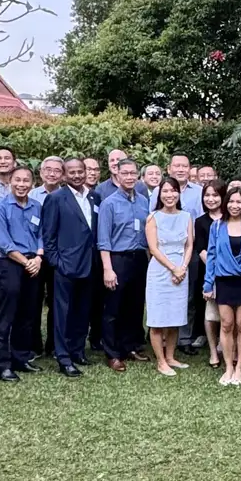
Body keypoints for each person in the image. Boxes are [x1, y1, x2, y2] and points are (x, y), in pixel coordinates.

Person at [41, 159, 101, 377]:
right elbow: (48, 236)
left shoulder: (95, 197)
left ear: (86, 172)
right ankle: (63, 357)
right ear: (64, 175)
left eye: (80, 171)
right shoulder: (55, 198)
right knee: (63, 313)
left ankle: (77, 351)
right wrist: (57, 263)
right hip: (66, 266)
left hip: (90, 265)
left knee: (83, 311)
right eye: (72, 172)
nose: (77, 175)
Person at [0, 166, 45, 382]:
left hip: (34, 264)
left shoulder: (37, 206)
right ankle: (2, 363)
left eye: (26, 181)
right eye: (18, 180)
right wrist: (25, 262)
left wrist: (38, 258)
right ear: (10, 182)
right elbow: (3, 242)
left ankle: (21, 357)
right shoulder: (1, 207)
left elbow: (43, 234)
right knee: (6, 316)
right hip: (11, 264)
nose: (22, 184)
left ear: (32, 183)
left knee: (28, 314)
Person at [203, 187, 241, 385]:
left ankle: (239, 368)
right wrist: (208, 283)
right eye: (231, 201)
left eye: (239, 202)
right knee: (227, 324)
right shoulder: (217, 226)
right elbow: (211, 255)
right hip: (224, 280)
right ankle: (228, 367)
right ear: (225, 203)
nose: (234, 205)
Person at [98, 158, 151, 371]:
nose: (129, 177)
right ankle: (112, 353)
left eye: (133, 173)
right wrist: (108, 268)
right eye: (125, 173)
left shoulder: (143, 201)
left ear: (138, 176)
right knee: (113, 308)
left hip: (139, 258)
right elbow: (103, 239)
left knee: (135, 306)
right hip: (117, 259)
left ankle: (129, 346)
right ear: (117, 176)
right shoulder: (109, 203)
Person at [149, 154, 203, 355]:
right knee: (160, 301)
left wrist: (183, 265)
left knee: (186, 298)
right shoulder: (156, 194)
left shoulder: (198, 192)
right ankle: (158, 338)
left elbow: (196, 226)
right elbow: (153, 235)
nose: (181, 169)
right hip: (162, 258)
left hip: (188, 253)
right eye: (176, 165)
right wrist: (173, 267)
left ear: (190, 169)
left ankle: (184, 338)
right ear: (169, 168)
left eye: (185, 166)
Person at [145, 177, 194, 376]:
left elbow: (189, 244)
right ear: (159, 194)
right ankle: (160, 361)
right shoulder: (153, 217)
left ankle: (171, 356)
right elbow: (153, 248)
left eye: (173, 191)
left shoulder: (186, 216)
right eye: (165, 191)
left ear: (178, 193)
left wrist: (182, 267)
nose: (169, 195)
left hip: (182, 270)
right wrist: (173, 268)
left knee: (175, 318)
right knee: (158, 319)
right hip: (160, 271)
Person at [27, 155, 64, 356]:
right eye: (47, 169)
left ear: (62, 175)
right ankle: (34, 345)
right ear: (41, 172)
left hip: (58, 257)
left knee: (57, 302)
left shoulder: (67, 196)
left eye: (57, 170)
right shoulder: (30, 195)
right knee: (33, 301)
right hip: (34, 257)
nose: (52, 173)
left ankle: (55, 344)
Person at [195, 180, 227, 368]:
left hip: (230, 274)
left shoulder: (230, 218)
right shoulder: (200, 222)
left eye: (215, 195)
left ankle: (225, 346)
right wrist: (215, 270)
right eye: (207, 195)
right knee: (210, 315)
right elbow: (201, 250)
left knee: (227, 314)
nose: (211, 199)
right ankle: (213, 351)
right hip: (208, 273)